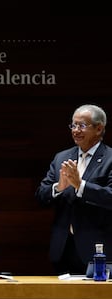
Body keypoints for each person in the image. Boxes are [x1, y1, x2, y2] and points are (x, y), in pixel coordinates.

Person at [35, 104, 112, 275]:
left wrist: (81, 186)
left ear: (99, 129)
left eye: (82, 125)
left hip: (97, 249)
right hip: (62, 248)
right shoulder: (61, 157)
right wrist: (59, 187)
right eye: (73, 125)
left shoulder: (110, 159)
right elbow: (41, 196)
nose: (76, 130)